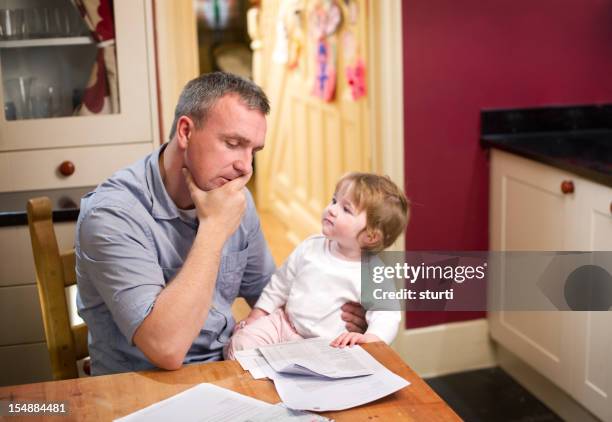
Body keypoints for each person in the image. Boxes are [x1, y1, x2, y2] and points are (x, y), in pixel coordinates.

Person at [75, 72, 366, 375]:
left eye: (253, 151)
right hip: (139, 388)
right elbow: (166, 349)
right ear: (186, 131)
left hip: (227, 370)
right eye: (233, 143)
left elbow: (271, 296)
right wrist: (213, 229)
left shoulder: (231, 193)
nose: (245, 166)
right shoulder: (111, 215)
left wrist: (332, 309)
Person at [226, 172, 409, 359]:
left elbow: (386, 314)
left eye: (346, 209)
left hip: (327, 346)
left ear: (370, 236)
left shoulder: (373, 274)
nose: (332, 209)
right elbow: (280, 284)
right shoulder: (311, 246)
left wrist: (370, 338)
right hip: (284, 324)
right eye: (333, 200)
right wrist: (257, 315)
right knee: (242, 342)